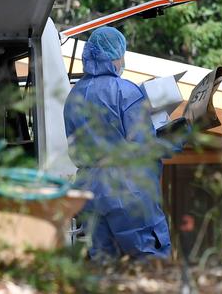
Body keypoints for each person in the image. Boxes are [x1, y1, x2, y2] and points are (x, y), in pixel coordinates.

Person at [63, 26, 176, 259]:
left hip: (89, 189)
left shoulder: (73, 96)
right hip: (127, 189)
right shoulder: (126, 92)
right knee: (150, 260)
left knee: (103, 267)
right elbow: (144, 145)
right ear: (115, 56)